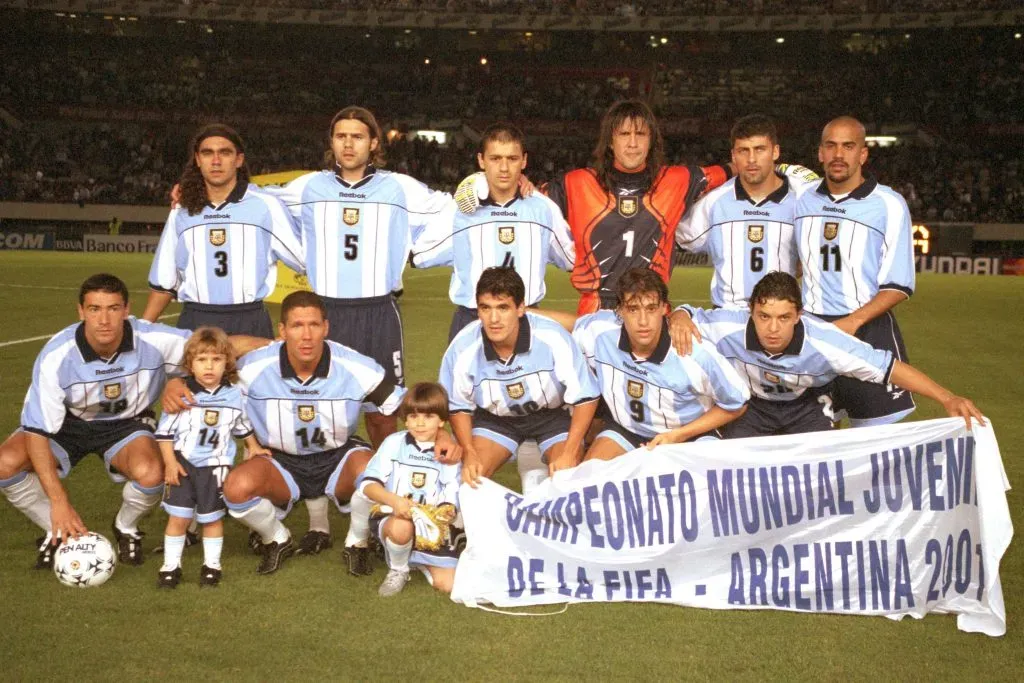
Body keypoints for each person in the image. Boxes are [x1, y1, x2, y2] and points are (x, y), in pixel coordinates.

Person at [264, 106, 455, 448]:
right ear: (331, 142)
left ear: (374, 143)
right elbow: (259, 201)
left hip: (378, 313)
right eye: (341, 136)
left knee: (383, 411)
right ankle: (326, 478)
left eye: (357, 136)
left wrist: (419, 251)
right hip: (326, 315)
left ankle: (389, 476)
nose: (348, 144)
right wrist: (193, 191)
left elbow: (453, 205)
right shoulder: (308, 187)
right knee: (320, 402)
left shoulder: (399, 189)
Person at [457, 99, 732, 315]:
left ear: (652, 140)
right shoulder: (576, 183)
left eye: (641, 134)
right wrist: (503, 178)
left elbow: (733, 169)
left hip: (653, 311)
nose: (633, 143)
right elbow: (526, 195)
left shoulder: (678, 180)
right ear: (610, 141)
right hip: (594, 312)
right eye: (624, 133)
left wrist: (775, 169)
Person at [0, 274, 193, 569]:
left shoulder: (152, 339)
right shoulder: (56, 355)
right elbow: (37, 433)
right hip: (68, 424)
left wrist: (276, 347)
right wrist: (58, 502)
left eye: (113, 308)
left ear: (127, 310)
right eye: (94, 309)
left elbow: (215, 346)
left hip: (127, 424)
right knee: (4, 464)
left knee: (153, 472)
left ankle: (126, 527)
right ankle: (58, 532)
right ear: (81, 312)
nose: (104, 319)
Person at [671, 272, 984, 437]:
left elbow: (888, 368)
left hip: (806, 407)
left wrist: (947, 398)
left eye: (783, 317)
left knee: (822, 480)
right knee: (731, 472)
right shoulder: (729, 325)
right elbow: (686, 315)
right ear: (750, 312)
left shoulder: (826, 341)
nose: (773, 328)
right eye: (764, 316)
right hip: (751, 408)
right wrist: (680, 315)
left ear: (799, 316)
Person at [793, 115, 916, 426]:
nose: (838, 155)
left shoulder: (889, 203)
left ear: (862, 154)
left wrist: (853, 322)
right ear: (819, 153)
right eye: (831, 146)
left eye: (848, 146)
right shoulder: (802, 201)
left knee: (878, 448)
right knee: (812, 443)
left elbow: (899, 285)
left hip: (868, 332)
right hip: (813, 334)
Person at [411, 123, 575, 342]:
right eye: (495, 159)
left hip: (528, 319)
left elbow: (571, 259)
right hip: (472, 322)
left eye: (512, 159)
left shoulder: (543, 209)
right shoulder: (460, 211)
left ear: (524, 161)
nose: (504, 168)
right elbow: (421, 255)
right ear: (481, 161)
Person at [440, 267, 600, 487]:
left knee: (568, 479)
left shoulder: (552, 337)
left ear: (521, 308)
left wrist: (570, 452)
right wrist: (469, 452)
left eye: (503, 308)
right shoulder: (463, 347)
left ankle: (536, 458)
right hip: (496, 420)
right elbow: (457, 406)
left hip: (552, 417)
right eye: (486, 308)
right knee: (467, 482)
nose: (494, 319)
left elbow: (586, 397)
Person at [143, 123, 305, 337]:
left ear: (239, 160)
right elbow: (165, 282)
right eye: (208, 153)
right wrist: (142, 328)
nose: (216, 161)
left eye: (225, 153)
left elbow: (304, 261)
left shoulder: (266, 206)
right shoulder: (181, 211)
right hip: (195, 322)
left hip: (249, 321)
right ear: (198, 160)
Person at [571, 268, 749, 461]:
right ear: (620, 310)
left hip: (687, 436)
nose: (643, 321)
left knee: (709, 481)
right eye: (633, 309)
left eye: (651, 308)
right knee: (591, 477)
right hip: (626, 431)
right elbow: (564, 328)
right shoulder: (599, 332)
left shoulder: (696, 353)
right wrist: (532, 315)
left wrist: (679, 435)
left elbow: (737, 403)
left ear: (665, 308)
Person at [155, 327, 270, 588]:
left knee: (212, 518)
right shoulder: (183, 394)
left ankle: (212, 566)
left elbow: (241, 426)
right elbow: (164, 435)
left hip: (216, 467)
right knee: (179, 518)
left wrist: (253, 447)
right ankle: (171, 566)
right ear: (190, 364)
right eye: (202, 360)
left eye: (216, 360)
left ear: (227, 363)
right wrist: (170, 464)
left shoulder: (234, 395)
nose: (209, 366)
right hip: (184, 465)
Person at [677, 114, 817, 308]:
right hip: (727, 318)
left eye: (759, 149)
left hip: (780, 319)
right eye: (743, 151)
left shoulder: (800, 203)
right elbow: (681, 238)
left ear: (775, 152)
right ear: (733, 155)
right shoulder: (714, 202)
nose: (751, 159)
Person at [359, 382, 461, 597]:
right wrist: (394, 501)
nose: (420, 424)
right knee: (401, 527)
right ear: (405, 419)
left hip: (430, 526)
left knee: (449, 585)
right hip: (394, 517)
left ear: (442, 420)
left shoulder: (448, 452)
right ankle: (399, 568)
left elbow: (452, 489)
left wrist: (446, 511)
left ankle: (416, 557)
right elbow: (367, 485)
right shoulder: (393, 443)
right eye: (413, 417)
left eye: (428, 417)